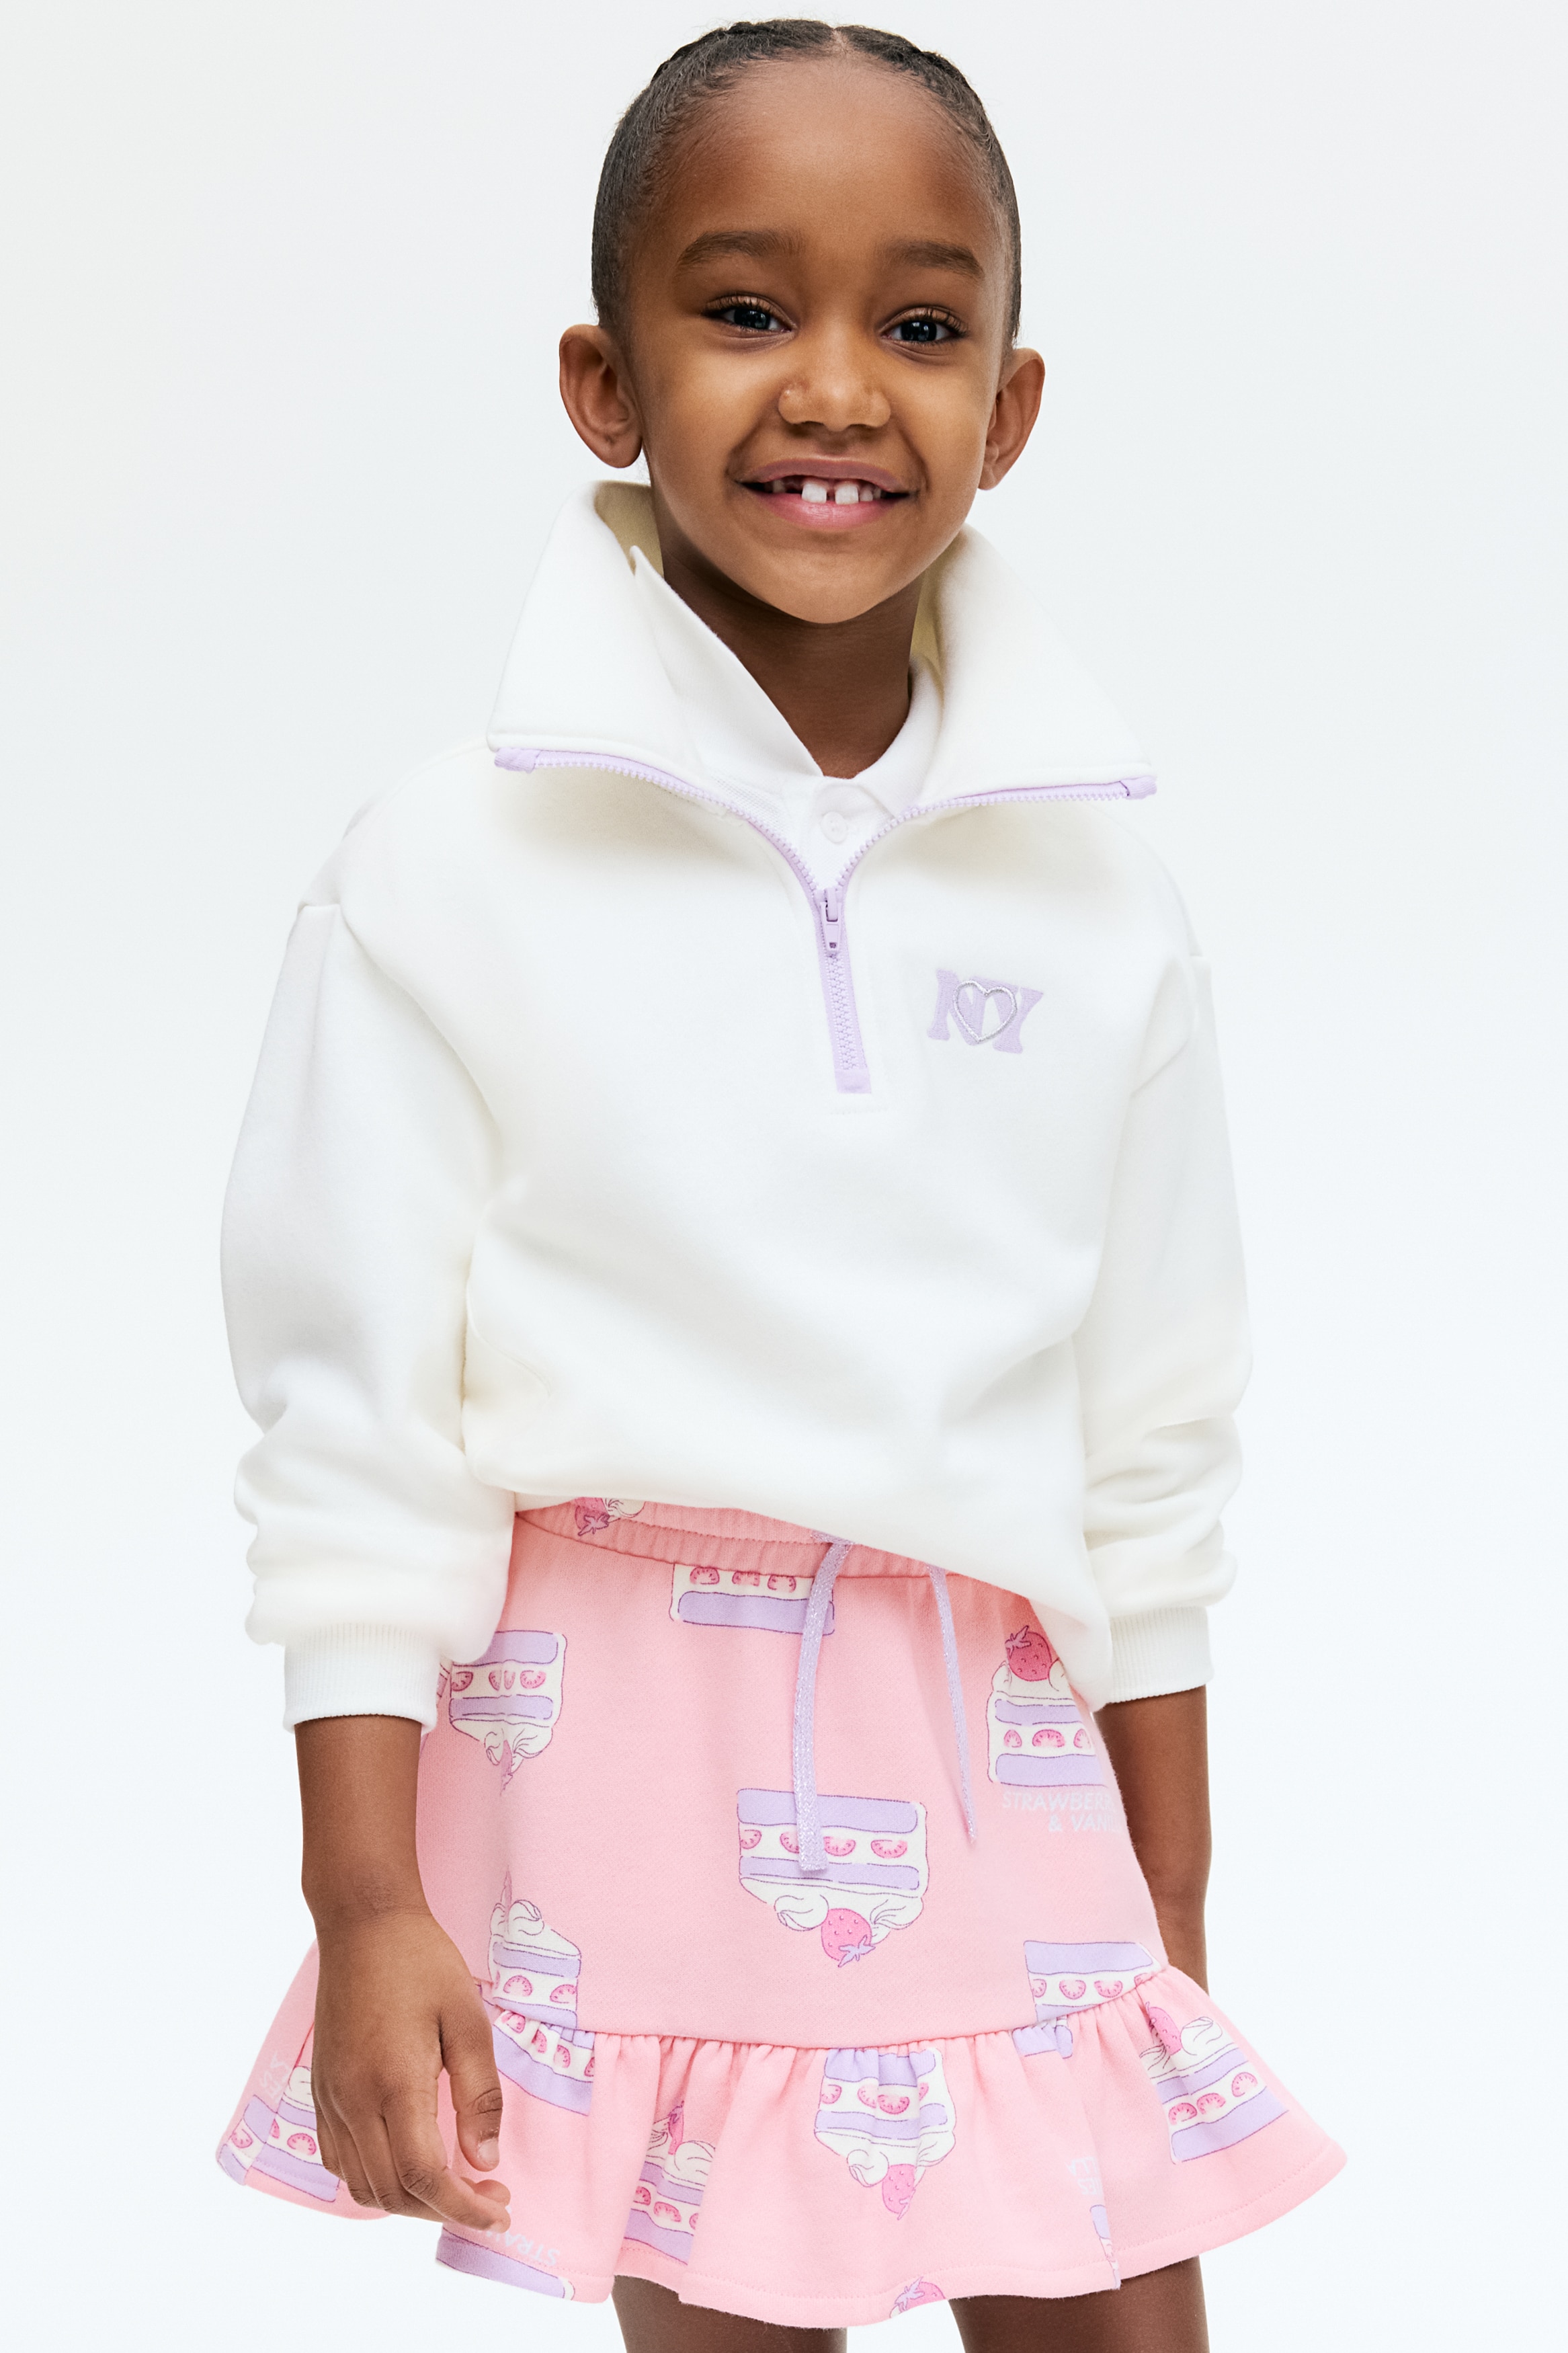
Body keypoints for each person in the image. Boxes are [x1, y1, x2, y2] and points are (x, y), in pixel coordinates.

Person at [216, 21, 1343, 2350]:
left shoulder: (1101, 901)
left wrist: (1174, 1899)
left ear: (1009, 407)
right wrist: (364, 1898)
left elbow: (1152, 1430)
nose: (837, 386)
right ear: (604, 383)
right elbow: (355, 1427)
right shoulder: (448, 864)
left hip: (999, 1724)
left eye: (921, 324)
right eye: (744, 308)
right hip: (615, 1735)